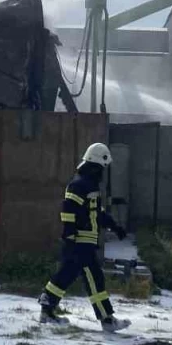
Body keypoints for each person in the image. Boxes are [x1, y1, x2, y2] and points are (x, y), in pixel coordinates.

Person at [38, 142, 132, 333]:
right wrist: (70, 235)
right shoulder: (79, 185)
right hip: (80, 241)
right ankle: (107, 319)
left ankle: (47, 310)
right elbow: (68, 210)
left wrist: (115, 227)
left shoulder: (89, 186)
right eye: (102, 167)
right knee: (93, 278)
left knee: (67, 274)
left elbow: (97, 213)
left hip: (84, 241)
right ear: (95, 165)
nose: (103, 172)